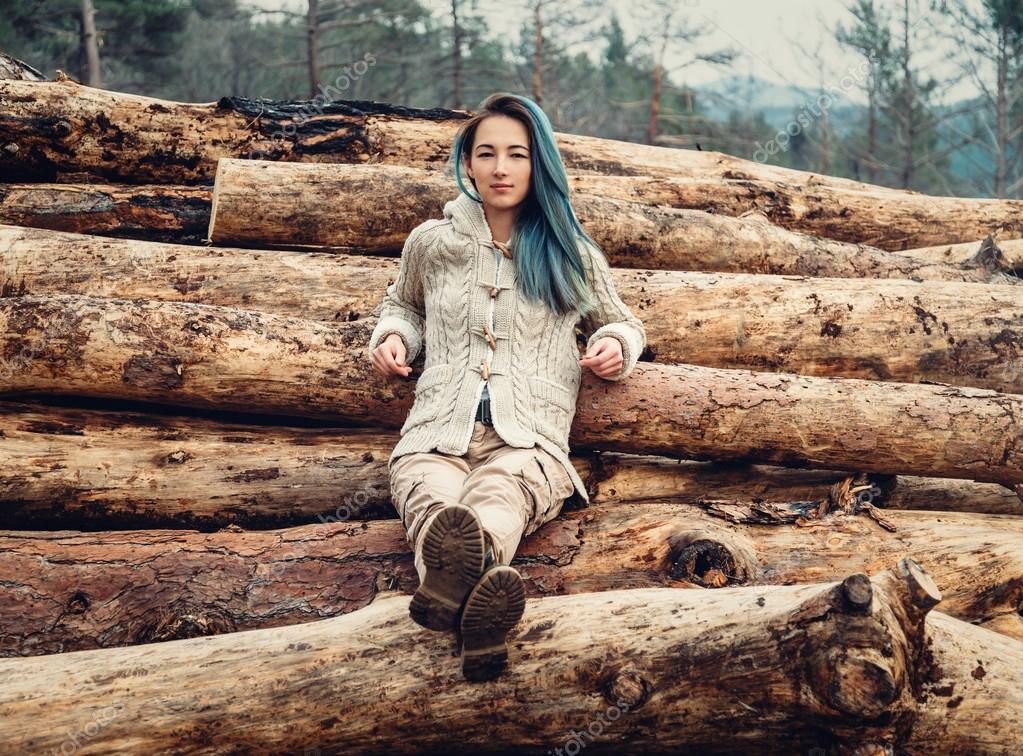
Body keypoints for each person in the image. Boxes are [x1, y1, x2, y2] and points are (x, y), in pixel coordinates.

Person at [367, 92, 645, 682]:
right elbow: (403, 307)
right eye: (486, 153)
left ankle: (460, 596)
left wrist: (618, 348)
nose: (500, 167)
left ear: (536, 163)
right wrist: (394, 337)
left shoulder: (570, 251)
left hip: (529, 441)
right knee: (433, 504)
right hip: (437, 432)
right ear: (466, 162)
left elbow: (620, 321)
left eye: (516, 154)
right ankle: (480, 615)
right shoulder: (430, 244)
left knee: (498, 498)